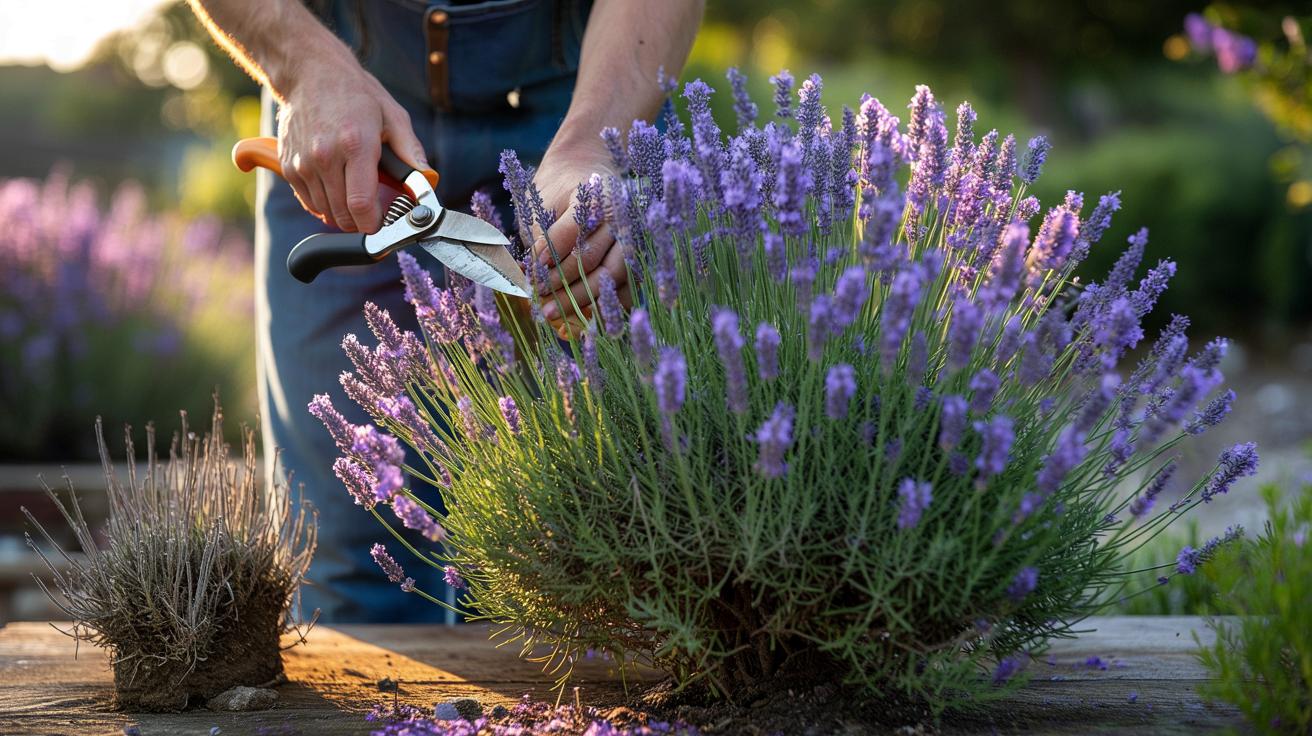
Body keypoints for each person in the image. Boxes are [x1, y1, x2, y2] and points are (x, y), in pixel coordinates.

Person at [187, 0, 704, 622]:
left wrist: (596, 143)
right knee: (341, 570)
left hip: (594, 93)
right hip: (341, 128)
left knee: (589, 567)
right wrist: (302, 63)